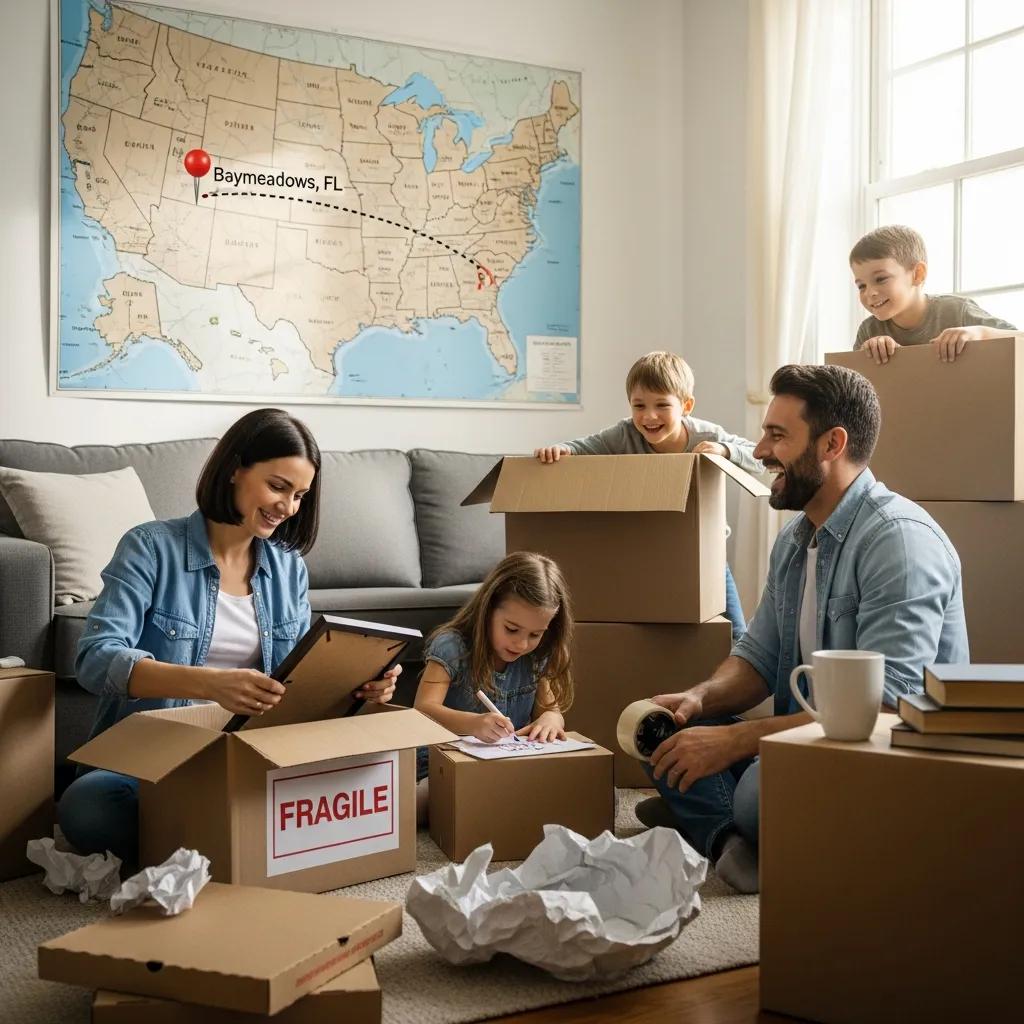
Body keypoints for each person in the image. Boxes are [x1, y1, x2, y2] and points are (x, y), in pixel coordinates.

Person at [634, 363, 969, 894]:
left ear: (832, 443)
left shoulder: (898, 542)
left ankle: (713, 818)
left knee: (756, 795)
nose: (761, 451)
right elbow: (758, 660)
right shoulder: (794, 541)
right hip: (817, 744)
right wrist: (698, 699)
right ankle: (727, 837)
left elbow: (891, 713)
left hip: (894, 761)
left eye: (777, 435)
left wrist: (739, 740)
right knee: (660, 734)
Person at [57, 408, 399, 863]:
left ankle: (209, 837)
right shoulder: (150, 547)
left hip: (246, 756)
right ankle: (242, 837)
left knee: (404, 762)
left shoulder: (287, 567)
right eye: (278, 486)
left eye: (299, 495)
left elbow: (297, 679)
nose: (289, 507)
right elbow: (96, 660)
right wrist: (210, 683)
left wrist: (360, 686)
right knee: (89, 807)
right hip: (156, 757)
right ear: (235, 469)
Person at [533, 351, 760, 641]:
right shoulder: (625, 434)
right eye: (639, 405)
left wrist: (725, 450)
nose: (649, 416)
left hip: (705, 552)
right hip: (649, 551)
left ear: (686, 406)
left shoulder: (705, 434)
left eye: (662, 405)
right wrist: (560, 449)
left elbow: (760, 457)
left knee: (734, 633)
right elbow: (582, 447)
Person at [413, 551, 574, 821]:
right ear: (487, 610)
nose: (521, 644)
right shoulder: (452, 646)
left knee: (586, 787)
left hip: (507, 765)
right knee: (424, 802)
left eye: (535, 634)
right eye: (511, 629)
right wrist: (474, 724)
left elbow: (553, 711)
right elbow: (422, 710)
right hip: (443, 765)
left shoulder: (536, 656)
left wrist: (550, 719)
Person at [850, 224, 1015, 365]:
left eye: (881, 279)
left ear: (917, 274)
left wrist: (981, 333)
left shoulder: (957, 311)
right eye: (861, 286)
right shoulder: (869, 330)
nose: (870, 292)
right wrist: (866, 355)